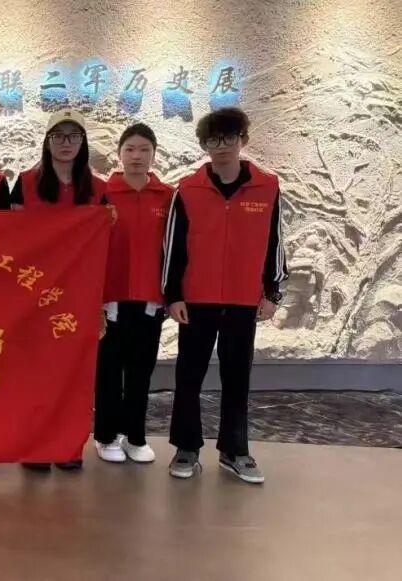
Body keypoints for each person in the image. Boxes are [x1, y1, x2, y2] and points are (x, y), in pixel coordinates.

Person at [162, 107, 288, 484]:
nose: (222, 146)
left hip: (242, 299)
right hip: (196, 300)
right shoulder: (188, 189)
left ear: (242, 140)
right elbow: (172, 247)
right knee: (189, 375)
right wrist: (173, 295)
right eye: (213, 140)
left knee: (237, 377)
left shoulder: (267, 187)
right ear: (204, 145)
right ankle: (187, 447)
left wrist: (272, 291)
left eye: (229, 138)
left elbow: (275, 242)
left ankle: (235, 450)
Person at [14, 108, 108, 473]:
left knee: (73, 373)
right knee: (35, 372)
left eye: (73, 136)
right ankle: (36, 446)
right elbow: (11, 236)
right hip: (33, 294)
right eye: (59, 136)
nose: (66, 143)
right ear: (47, 141)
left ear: (83, 143)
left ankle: (68, 445)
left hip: (78, 295)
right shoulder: (25, 183)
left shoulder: (98, 189)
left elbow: (100, 244)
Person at [93, 123, 173, 465]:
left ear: (154, 154)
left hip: (150, 299)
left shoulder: (168, 196)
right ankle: (106, 435)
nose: (137, 156)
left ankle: (135, 436)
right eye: (130, 149)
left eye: (144, 150)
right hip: (110, 299)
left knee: (141, 373)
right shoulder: (102, 193)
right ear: (119, 153)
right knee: (109, 372)